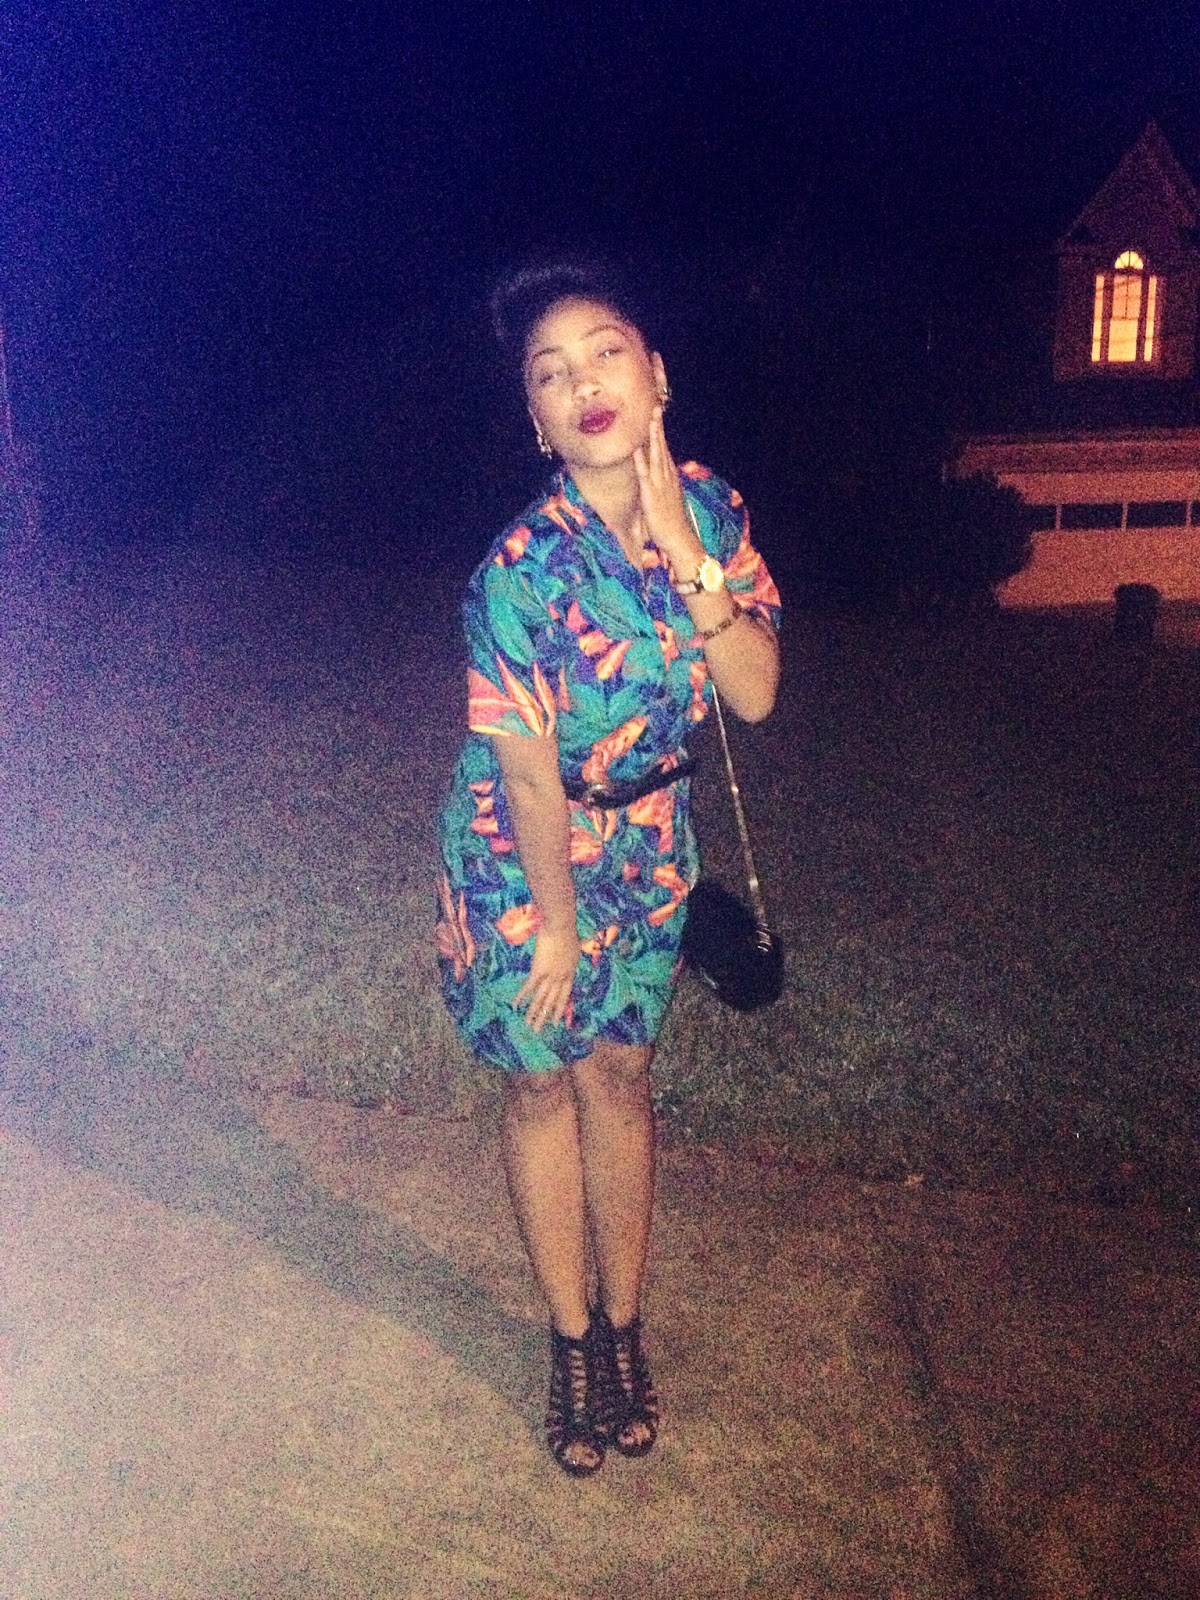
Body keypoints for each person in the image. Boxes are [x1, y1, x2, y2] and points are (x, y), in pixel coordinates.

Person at [435, 262, 781, 1475]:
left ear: (656, 375)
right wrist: (556, 927)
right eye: (550, 373)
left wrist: (688, 556)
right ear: (536, 420)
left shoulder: (716, 512)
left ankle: (624, 1327)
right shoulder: (516, 571)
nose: (582, 383)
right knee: (542, 1085)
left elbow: (754, 692)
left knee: (621, 1076)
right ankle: (570, 1338)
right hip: (519, 860)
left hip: (649, 847)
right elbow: (529, 776)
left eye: (604, 352)